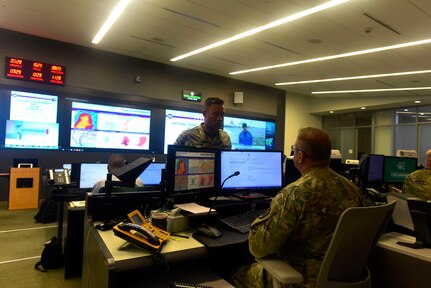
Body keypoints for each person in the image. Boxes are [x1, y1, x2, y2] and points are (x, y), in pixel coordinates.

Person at [231, 127, 364, 288]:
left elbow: (259, 248)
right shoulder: (352, 188)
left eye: (294, 150)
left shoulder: (296, 192)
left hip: (301, 280)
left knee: (237, 272)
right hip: (342, 279)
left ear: (300, 156)